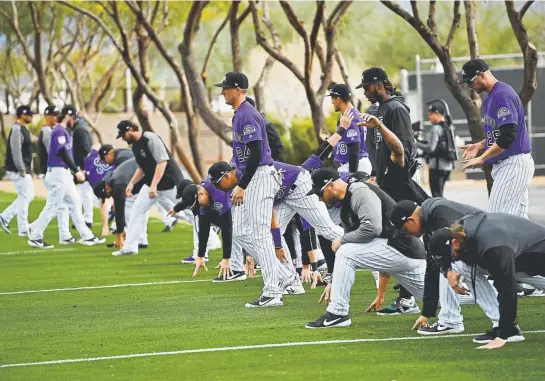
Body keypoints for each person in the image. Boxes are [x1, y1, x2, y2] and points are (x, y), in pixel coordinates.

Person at [304, 167, 427, 328]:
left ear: (331, 186)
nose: (320, 199)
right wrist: (333, 282)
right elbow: (363, 244)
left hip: (402, 249)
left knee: (345, 251)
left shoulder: (359, 191)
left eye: (320, 193)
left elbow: (373, 228)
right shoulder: (345, 206)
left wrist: (342, 240)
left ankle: (337, 313)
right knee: (440, 298)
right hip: (400, 253)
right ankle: (472, 291)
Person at [429, 211, 545, 349]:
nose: (450, 259)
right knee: (462, 266)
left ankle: (509, 329)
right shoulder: (461, 231)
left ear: (455, 243)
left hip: (537, 254)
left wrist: (504, 334)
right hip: (518, 252)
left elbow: (507, 288)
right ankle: (501, 324)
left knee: (503, 280)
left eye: (449, 256)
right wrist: (448, 271)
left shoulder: (494, 247)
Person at [390, 199, 500, 336]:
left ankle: (450, 321)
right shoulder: (430, 222)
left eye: (405, 229)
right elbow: (432, 271)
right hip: (489, 248)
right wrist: (426, 313)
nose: (407, 234)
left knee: (448, 261)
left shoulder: (439, 214)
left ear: (412, 220)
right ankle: (499, 316)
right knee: (446, 262)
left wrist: (447, 269)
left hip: (498, 245)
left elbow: (452, 247)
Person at [460, 59, 534, 218]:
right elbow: (499, 133)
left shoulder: (502, 94)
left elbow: (508, 136)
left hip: (513, 164)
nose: (469, 86)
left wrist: (482, 158)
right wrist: (480, 145)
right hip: (508, 164)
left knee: (496, 220)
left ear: (481, 75)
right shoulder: (490, 98)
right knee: (519, 225)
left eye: (470, 81)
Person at [27, 110, 105, 249]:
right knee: (53, 206)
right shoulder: (59, 131)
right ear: (68, 117)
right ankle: (35, 235)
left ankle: (87, 236)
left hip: (63, 173)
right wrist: (76, 170)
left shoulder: (61, 131)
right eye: (73, 117)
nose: (74, 121)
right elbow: (62, 152)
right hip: (58, 173)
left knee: (75, 203)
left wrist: (74, 170)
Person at [112, 120, 184, 256]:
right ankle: (130, 247)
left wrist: (154, 185)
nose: (123, 138)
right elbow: (141, 168)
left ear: (131, 130)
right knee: (136, 210)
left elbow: (162, 162)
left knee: (189, 211)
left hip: (170, 182)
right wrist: (132, 183)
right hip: (153, 184)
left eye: (123, 134)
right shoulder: (135, 146)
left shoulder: (151, 139)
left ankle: (211, 240)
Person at [171, 178, 246, 282]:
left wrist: (226, 258)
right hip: (239, 202)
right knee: (236, 232)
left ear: (201, 194)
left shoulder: (217, 194)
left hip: (249, 196)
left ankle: (244, 266)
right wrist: (200, 256)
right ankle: (238, 269)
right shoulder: (205, 195)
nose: (200, 207)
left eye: (199, 205)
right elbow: (204, 230)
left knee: (240, 232)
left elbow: (227, 229)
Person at [93, 158, 149, 251]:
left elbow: (120, 212)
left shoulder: (117, 184)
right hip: (145, 177)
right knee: (136, 209)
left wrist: (119, 236)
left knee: (129, 207)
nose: (108, 197)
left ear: (106, 188)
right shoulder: (110, 180)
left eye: (107, 196)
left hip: (152, 174)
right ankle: (139, 239)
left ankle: (138, 239)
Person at [36, 105, 73, 244]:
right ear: (48, 116)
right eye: (54, 115)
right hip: (51, 172)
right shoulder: (48, 132)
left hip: (52, 171)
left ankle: (65, 235)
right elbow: (55, 153)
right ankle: (35, 231)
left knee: (62, 205)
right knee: (54, 205)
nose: (57, 117)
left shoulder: (51, 130)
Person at [0, 105, 35, 237]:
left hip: (21, 169)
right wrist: (22, 170)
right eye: (29, 114)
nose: (31, 117)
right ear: (22, 115)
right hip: (18, 169)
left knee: (25, 196)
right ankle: (7, 218)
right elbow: (16, 151)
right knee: (27, 196)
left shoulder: (23, 129)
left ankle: (20, 227)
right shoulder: (16, 129)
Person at [327, 84, 371, 175]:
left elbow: (354, 147)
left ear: (338, 99)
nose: (332, 102)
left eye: (333, 99)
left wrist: (352, 174)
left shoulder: (350, 117)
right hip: (352, 165)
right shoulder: (348, 115)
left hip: (356, 166)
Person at [62, 105, 94, 227]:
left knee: (86, 192)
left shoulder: (80, 129)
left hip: (83, 165)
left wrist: (83, 166)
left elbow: (85, 149)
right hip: (80, 164)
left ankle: (88, 219)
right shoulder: (77, 127)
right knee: (85, 192)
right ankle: (86, 218)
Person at [416, 102, 456, 197]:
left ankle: (441, 211)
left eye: (431, 114)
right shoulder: (449, 127)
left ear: (437, 114)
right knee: (439, 194)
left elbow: (431, 148)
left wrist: (416, 143)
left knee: (436, 195)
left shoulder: (436, 128)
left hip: (437, 167)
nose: (429, 117)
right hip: (448, 165)